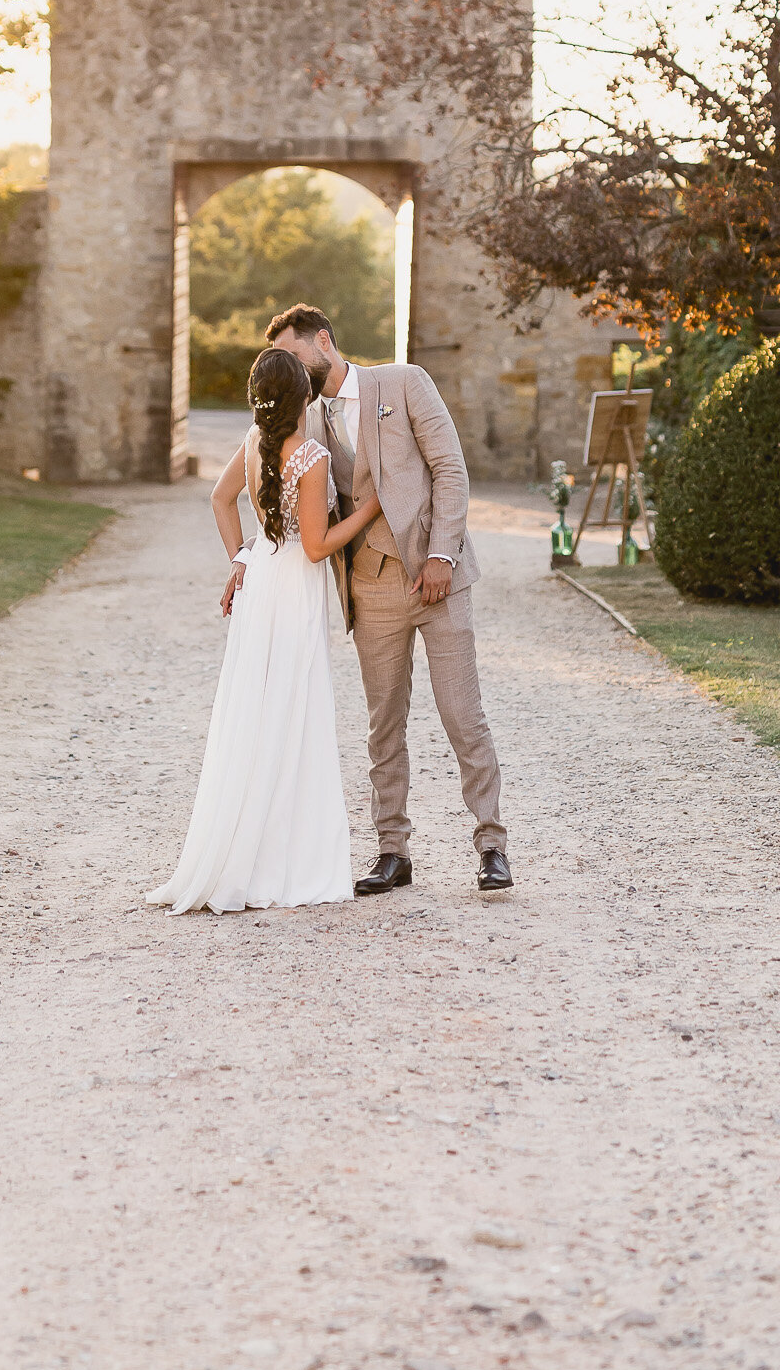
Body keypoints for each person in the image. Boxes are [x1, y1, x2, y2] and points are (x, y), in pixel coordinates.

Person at [253, 304, 513, 897]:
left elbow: (450, 470)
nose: (291, 370)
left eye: (295, 356)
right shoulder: (304, 422)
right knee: (383, 726)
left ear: (324, 340)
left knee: (462, 715)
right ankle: (392, 850)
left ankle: (492, 844)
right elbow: (274, 496)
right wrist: (243, 562)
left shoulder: (403, 382)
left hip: (437, 579)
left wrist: (443, 556)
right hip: (370, 587)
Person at [148, 346, 381, 915]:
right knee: (293, 711)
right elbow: (320, 545)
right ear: (304, 396)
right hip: (293, 590)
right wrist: (369, 510)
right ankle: (283, 863)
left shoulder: (254, 443)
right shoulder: (309, 455)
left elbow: (220, 499)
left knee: (259, 713)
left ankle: (246, 854)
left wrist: (241, 560)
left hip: (264, 577)